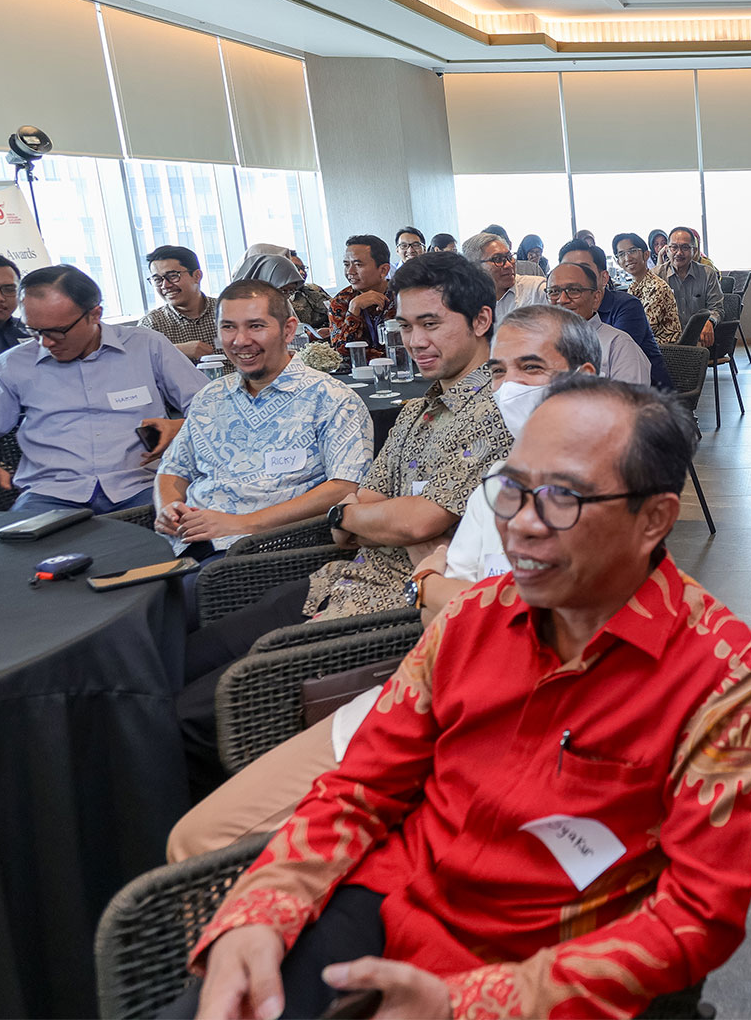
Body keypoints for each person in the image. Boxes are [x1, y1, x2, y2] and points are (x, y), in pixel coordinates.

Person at [178, 375, 751, 1020]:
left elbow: (700, 912)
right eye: (511, 489)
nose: (519, 525)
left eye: (562, 498)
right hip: (392, 902)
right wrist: (264, 904)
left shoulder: (721, 675)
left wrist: (468, 1004)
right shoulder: (473, 620)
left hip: (542, 963)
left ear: (654, 518)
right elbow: (362, 786)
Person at [165, 305, 603, 863]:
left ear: (583, 380)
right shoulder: (500, 482)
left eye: (532, 368)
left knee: (211, 825)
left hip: (497, 722)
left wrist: (437, 583)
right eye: (498, 372)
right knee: (195, 831)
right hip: (420, 683)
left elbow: (515, 628)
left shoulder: (609, 494)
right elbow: (438, 597)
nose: (510, 388)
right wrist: (438, 586)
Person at [175, 251, 511, 793]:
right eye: (405, 325)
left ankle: (219, 843)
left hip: (393, 611)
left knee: (194, 714)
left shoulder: (499, 410)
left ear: (480, 321)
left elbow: (419, 520)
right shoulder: (416, 410)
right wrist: (358, 514)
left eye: (431, 324)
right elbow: (350, 517)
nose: (415, 341)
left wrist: (366, 515)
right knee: (179, 660)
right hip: (337, 577)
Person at [0, 265, 202, 512]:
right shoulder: (13, 364)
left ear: (95, 314)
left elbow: (214, 408)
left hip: (143, 487)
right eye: (34, 331)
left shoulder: (146, 346)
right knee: (20, 550)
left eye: (58, 332)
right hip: (50, 496)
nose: (45, 343)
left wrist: (178, 427)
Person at [156, 278, 371, 557]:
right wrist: (168, 509)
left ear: (288, 330)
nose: (240, 341)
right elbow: (174, 469)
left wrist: (240, 524)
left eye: (256, 326)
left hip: (267, 550)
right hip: (186, 542)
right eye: (228, 327)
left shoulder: (331, 399)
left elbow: (345, 487)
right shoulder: (210, 397)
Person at [560, 241, 673, 390]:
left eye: (583, 270)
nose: (573, 278)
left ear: (604, 278)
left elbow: (607, 363)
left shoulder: (626, 307)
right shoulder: (564, 313)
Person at [546, 261, 651, 385]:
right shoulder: (537, 342)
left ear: (596, 298)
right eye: (553, 292)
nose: (562, 299)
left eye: (574, 290)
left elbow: (631, 402)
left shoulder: (619, 346)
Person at [141, 245, 219, 361]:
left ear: (197, 276)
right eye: (157, 280)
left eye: (173, 276)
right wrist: (176, 350)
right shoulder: (152, 324)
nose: (165, 285)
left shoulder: (226, 311)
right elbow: (136, 359)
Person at [328, 234, 395, 356]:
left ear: (383, 270)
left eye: (358, 265)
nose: (350, 272)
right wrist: (353, 310)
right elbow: (339, 354)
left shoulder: (404, 296)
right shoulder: (341, 301)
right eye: (347, 265)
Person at [608, 232, 679, 346]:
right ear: (618, 262)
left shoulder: (657, 288)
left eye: (632, 251)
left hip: (662, 353)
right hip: (641, 348)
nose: (628, 258)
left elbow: (638, 329)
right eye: (621, 254)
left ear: (646, 255)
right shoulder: (634, 286)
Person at [463, 230, 546, 321]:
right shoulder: (466, 301)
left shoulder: (537, 290)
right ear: (475, 267)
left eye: (509, 257)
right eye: (498, 259)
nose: (508, 265)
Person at [662, 226, 722, 348]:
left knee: (696, 354)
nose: (679, 253)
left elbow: (717, 308)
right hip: (666, 342)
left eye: (685, 247)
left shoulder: (707, 273)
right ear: (667, 250)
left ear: (694, 251)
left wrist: (710, 321)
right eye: (674, 247)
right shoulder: (657, 275)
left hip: (698, 337)